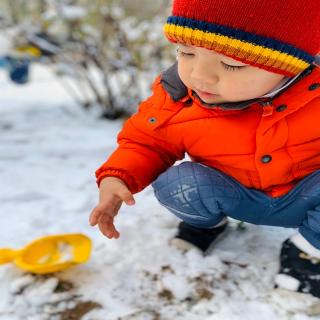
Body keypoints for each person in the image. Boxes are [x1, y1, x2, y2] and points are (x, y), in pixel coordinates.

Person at [90, 0, 320, 299]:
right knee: (178, 184)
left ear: (290, 66)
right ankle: (205, 225)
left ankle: (307, 251)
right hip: (233, 194)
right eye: (186, 53)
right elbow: (147, 142)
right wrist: (118, 176)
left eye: (232, 64)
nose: (200, 75)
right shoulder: (178, 97)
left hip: (305, 199)